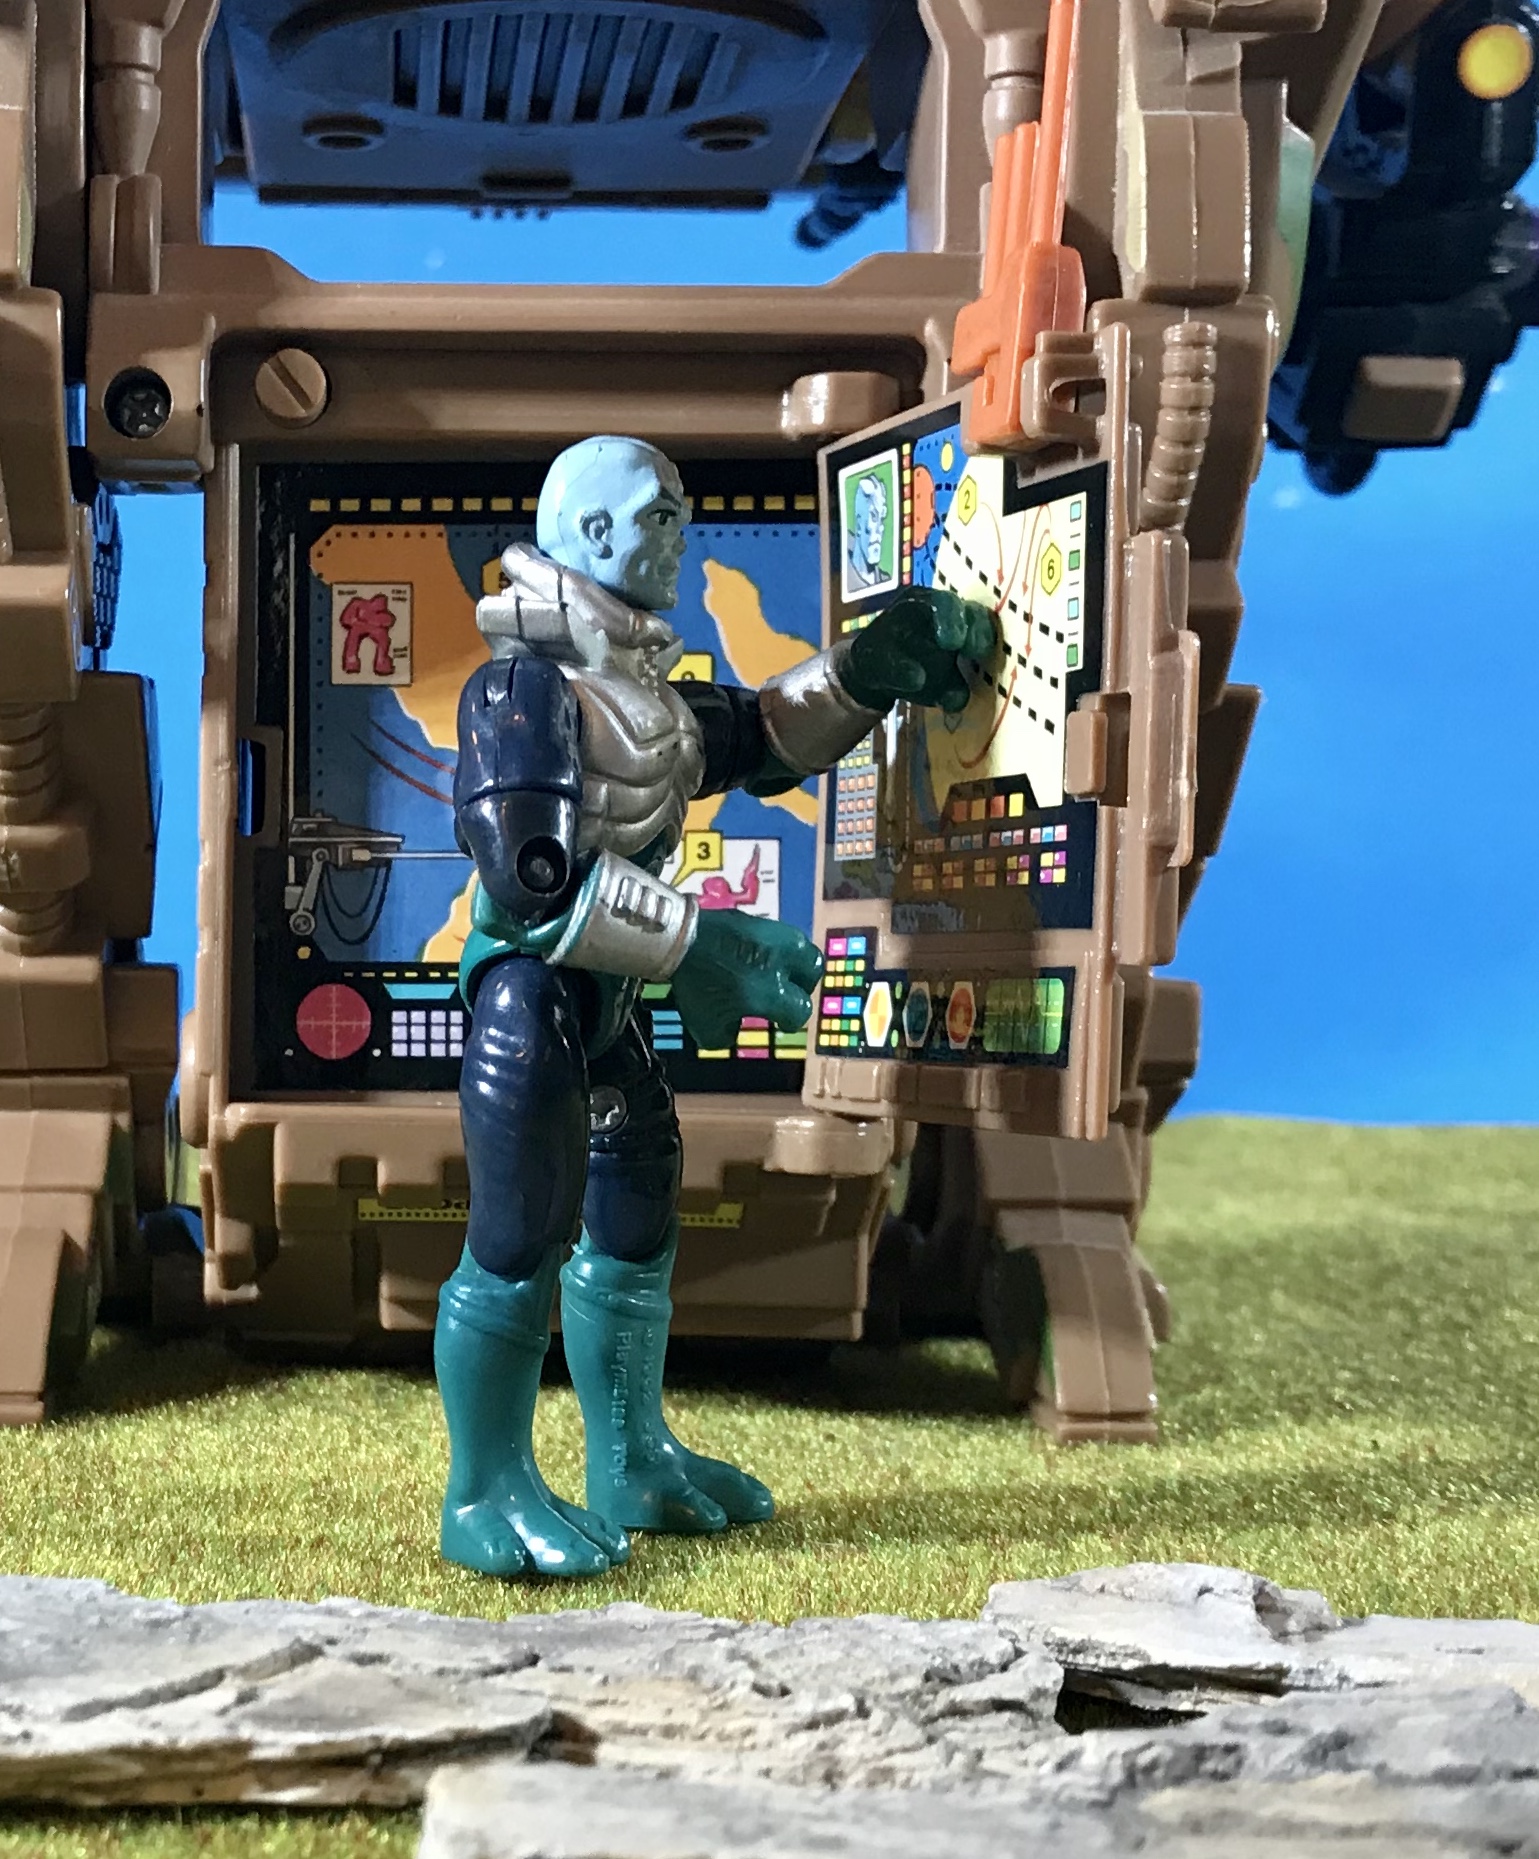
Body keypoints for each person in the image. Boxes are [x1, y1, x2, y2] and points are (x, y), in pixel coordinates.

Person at [440, 434, 992, 1578]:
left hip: (607, 1004)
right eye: (661, 514)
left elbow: (762, 732)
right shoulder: (519, 691)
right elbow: (529, 876)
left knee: (637, 1212)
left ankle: (630, 1457)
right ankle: (484, 1490)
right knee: (517, 1237)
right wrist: (699, 943)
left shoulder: (642, 689)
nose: (680, 535)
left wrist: (866, 670)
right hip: (531, 1000)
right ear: (594, 532)